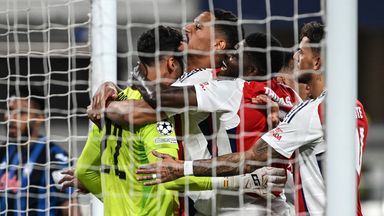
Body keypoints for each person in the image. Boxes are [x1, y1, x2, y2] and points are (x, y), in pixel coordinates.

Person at [136, 22, 369, 216]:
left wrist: (180, 168)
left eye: (301, 52)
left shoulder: (237, 90)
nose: (296, 56)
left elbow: (249, 159)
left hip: (236, 206)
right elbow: (301, 166)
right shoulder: (354, 107)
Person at [94, 32, 301, 215]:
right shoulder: (290, 96)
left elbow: (152, 102)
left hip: (234, 205)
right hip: (277, 204)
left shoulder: (232, 88)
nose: (229, 56)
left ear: (252, 70)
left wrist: (132, 78)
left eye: (236, 55)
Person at [86, 9, 245, 215]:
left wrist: (103, 107)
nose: (187, 28)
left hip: (228, 202)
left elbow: (135, 113)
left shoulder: (209, 80)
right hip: (202, 199)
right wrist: (113, 89)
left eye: (197, 27)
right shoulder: (188, 81)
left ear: (218, 44)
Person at [73, 25, 188, 216]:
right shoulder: (152, 113)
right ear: (172, 63)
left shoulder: (109, 104)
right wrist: (232, 180)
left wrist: (116, 200)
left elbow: (84, 172)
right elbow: (168, 175)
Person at [0, 86, 79, 216]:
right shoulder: (2, 152)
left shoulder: (55, 157)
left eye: (22, 113)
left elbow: (71, 209)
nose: (11, 118)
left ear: (39, 118)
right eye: (10, 111)